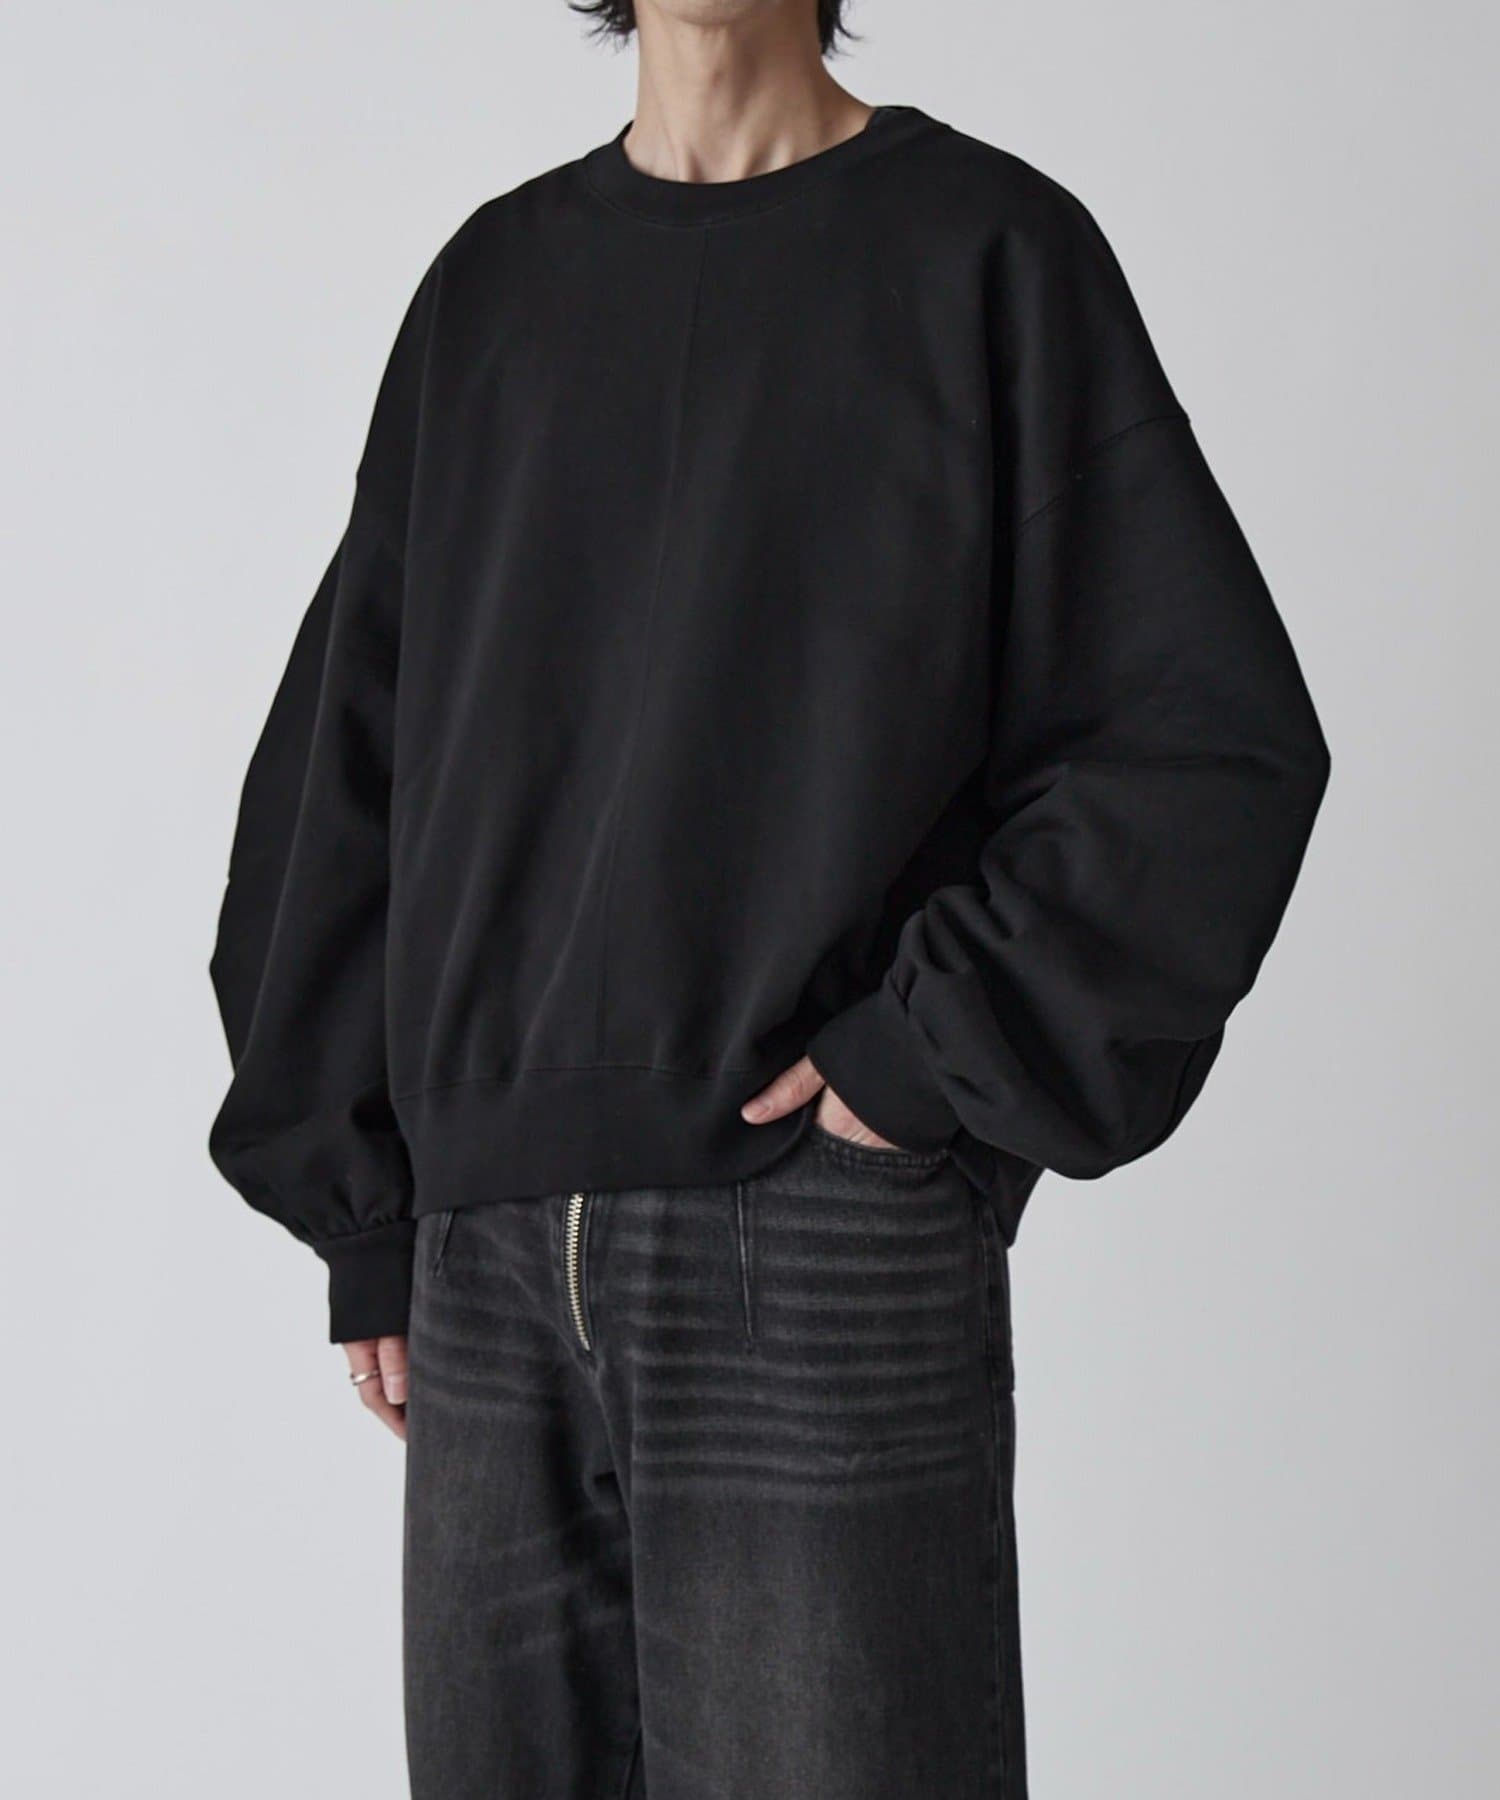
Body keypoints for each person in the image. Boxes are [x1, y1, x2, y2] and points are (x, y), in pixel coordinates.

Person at [209, 1, 1329, 1793]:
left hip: (811, 1232)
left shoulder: (988, 253)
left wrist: (928, 1057)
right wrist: (362, 1200)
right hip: (483, 1257)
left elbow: (1203, 737)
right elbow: (351, 761)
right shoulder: (491, 290)